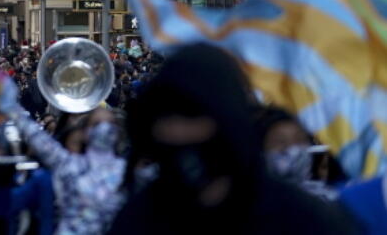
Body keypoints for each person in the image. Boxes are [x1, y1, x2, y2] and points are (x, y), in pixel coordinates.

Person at [110, 44, 360, 235]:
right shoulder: (137, 219)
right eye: (165, 117)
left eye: (192, 115)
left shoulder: (303, 218)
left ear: (229, 120)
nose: (179, 131)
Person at [0, 78, 124, 235]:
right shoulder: (65, 162)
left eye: (110, 123)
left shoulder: (128, 169)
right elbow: (33, 133)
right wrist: (9, 104)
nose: (104, 128)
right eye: (97, 124)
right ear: (85, 131)